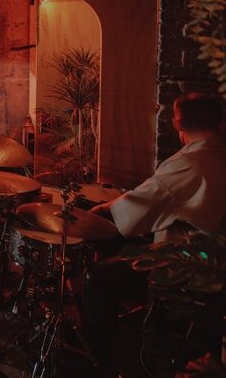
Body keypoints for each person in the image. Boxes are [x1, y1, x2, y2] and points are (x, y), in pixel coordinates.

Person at [84, 93, 226, 377]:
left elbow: (135, 210)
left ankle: (97, 364)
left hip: (188, 273)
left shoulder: (189, 162)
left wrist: (100, 208)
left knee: (99, 277)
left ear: (177, 123)